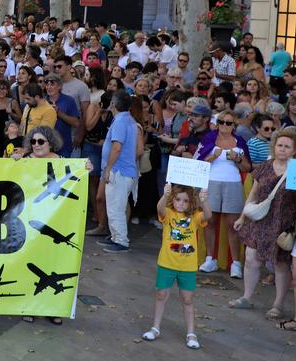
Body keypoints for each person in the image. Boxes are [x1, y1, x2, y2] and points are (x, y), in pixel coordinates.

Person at [229, 127, 296, 318]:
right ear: (274, 147)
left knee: (280, 264)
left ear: (294, 150)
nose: (282, 149)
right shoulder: (265, 167)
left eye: (287, 146)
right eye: (279, 145)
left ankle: (278, 305)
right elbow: (253, 194)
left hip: (283, 224)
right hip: (260, 220)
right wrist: (242, 217)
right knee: (251, 258)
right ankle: (246, 297)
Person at [140, 183, 211, 350]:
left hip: (188, 266)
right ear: (173, 200)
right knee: (161, 295)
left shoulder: (195, 217)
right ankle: (155, 328)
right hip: (167, 263)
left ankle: (191, 333)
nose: (181, 203)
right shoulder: (169, 213)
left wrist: (204, 201)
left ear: (191, 202)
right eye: (178, 199)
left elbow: (208, 215)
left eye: (185, 201)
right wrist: (165, 195)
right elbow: (160, 209)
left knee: (188, 299)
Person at [195, 109, 251, 277]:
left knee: (233, 225)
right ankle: (210, 259)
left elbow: (247, 167)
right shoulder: (209, 138)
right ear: (217, 123)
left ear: (234, 125)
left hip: (233, 184)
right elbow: (199, 163)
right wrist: (212, 157)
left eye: (228, 122)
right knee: (210, 221)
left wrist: (237, 159)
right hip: (211, 183)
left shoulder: (240, 141)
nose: (224, 125)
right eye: (221, 122)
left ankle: (236, 263)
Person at [98, 90, 140, 253]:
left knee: (115, 208)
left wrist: (108, 168)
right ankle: (116, 237)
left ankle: (121, 241)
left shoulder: (121, 121)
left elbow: (116, 147)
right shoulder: (128, 119)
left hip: (119, 171)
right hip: (124, 170)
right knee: (116, 206)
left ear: (113, 104)